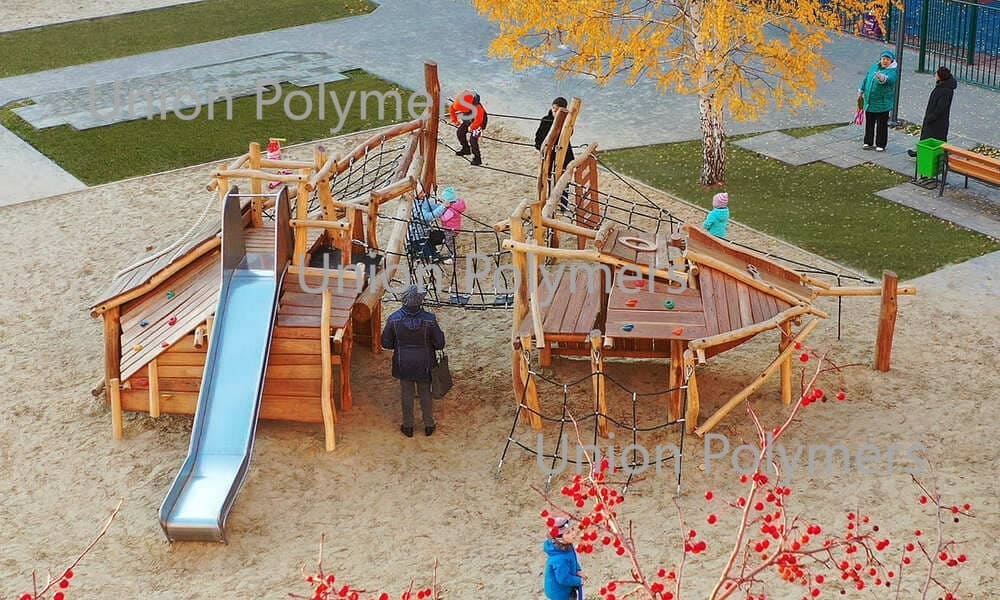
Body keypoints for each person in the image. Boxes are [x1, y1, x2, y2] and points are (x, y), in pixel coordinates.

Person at [380, 285, 446, 437]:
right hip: (425, 363)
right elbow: (440, 344)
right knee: (425, 393)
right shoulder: (429, 319)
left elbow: (386, 343)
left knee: (406, 393)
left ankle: (408, 426)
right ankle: (429, 425)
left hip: (403, 362)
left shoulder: (393, 319)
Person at [534, 97, 576, 211]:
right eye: (553, 108)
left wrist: (564, 123)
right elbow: (538, 137)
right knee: (545, 176)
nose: (554, 111)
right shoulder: (546, 120)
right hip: (548, 153)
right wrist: (542, 148)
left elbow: (570, 133)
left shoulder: (567, 121)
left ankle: (563, 203)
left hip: (563, 151)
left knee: (564, 178)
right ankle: (545, 200)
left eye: (557, 110)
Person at [907, 66, 957, 158]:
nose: (935, 76)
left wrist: (932, 117)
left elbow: (941, 107)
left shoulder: (945, 90)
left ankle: (934, 155)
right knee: (927, 136)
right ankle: (921, 152)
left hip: (937, 120)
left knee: (934, 138)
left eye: (937, 74)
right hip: (934, 118)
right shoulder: (943, 86)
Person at [859, 50, 899, 152]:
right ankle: (868, 142)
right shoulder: (874, 67)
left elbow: (890, 80)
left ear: (891, 61)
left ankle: (881, 144)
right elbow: (866, 79)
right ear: (880, 59)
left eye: (887, 59)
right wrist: (861, 89)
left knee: (881, 125)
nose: (885, 61)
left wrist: (882, 78)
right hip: (870, 102)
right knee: (869, 123)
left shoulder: (892, 71)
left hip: (882, 104)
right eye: (883, 59)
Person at [543, 517, 585, 600]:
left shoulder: (567, 545)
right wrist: (579, 581)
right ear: (560, 538)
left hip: (567, 585)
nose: (573, 533)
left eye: (572, 529)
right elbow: (563, 579)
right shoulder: (560, 559)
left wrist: (578, 569)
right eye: (568, 533)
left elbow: (573, 560)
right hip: (559, 593)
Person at [449, 89, 488, 166]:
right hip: (468, 120)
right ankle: (466, 149)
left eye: (461, 109)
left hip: (479, 123)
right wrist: (455, 120)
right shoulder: (458, 103)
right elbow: (452, 108)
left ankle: (477, 158)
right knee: (460, 133)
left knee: (473, 140)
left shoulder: (477, 107)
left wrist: (472, 127)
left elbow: (479, 119)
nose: (460, 110)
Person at [407, 194, 446, 262]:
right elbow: (428, 217)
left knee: (444, 235)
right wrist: (443, 206)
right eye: (421, 192)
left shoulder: (423, 200)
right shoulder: (413, 206)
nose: (424, 194)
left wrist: (443, 204)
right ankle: (414, 249)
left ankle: (428, 247)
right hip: (418, 238)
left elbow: (434, 207)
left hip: (426, 234)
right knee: (432, 258)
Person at [439, 187, 466, 265]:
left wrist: (440, 212)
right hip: (455, 228)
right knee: (450, 242)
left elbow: (444, 218)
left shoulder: (451, 210)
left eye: (443, 200)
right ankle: (450, 254)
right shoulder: (455, 207)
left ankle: (452, 258)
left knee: (449, 243)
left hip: (450, 229)